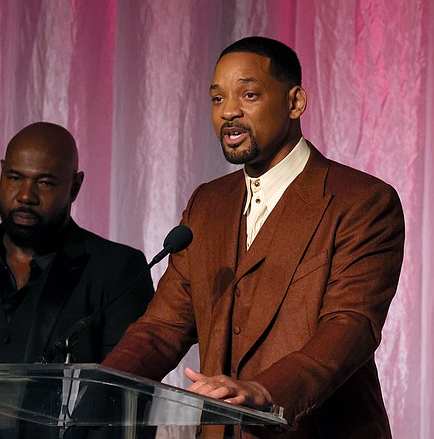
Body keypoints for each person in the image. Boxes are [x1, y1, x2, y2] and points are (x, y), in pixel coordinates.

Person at [102, 36, 405, 438]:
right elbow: (163, 328)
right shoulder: (208, 203)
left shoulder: (361, 201)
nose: (228, 111)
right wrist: (98, 386)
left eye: (248, 94)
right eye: (216, 99)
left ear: (294, 102)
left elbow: (350, 326)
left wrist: (266, 391)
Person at [0, 122, 155, 438]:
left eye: (45, 183)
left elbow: (124, 407)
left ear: (75, 187)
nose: (25, 195)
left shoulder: (117, 270)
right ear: (1, 172)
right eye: (15, 177)